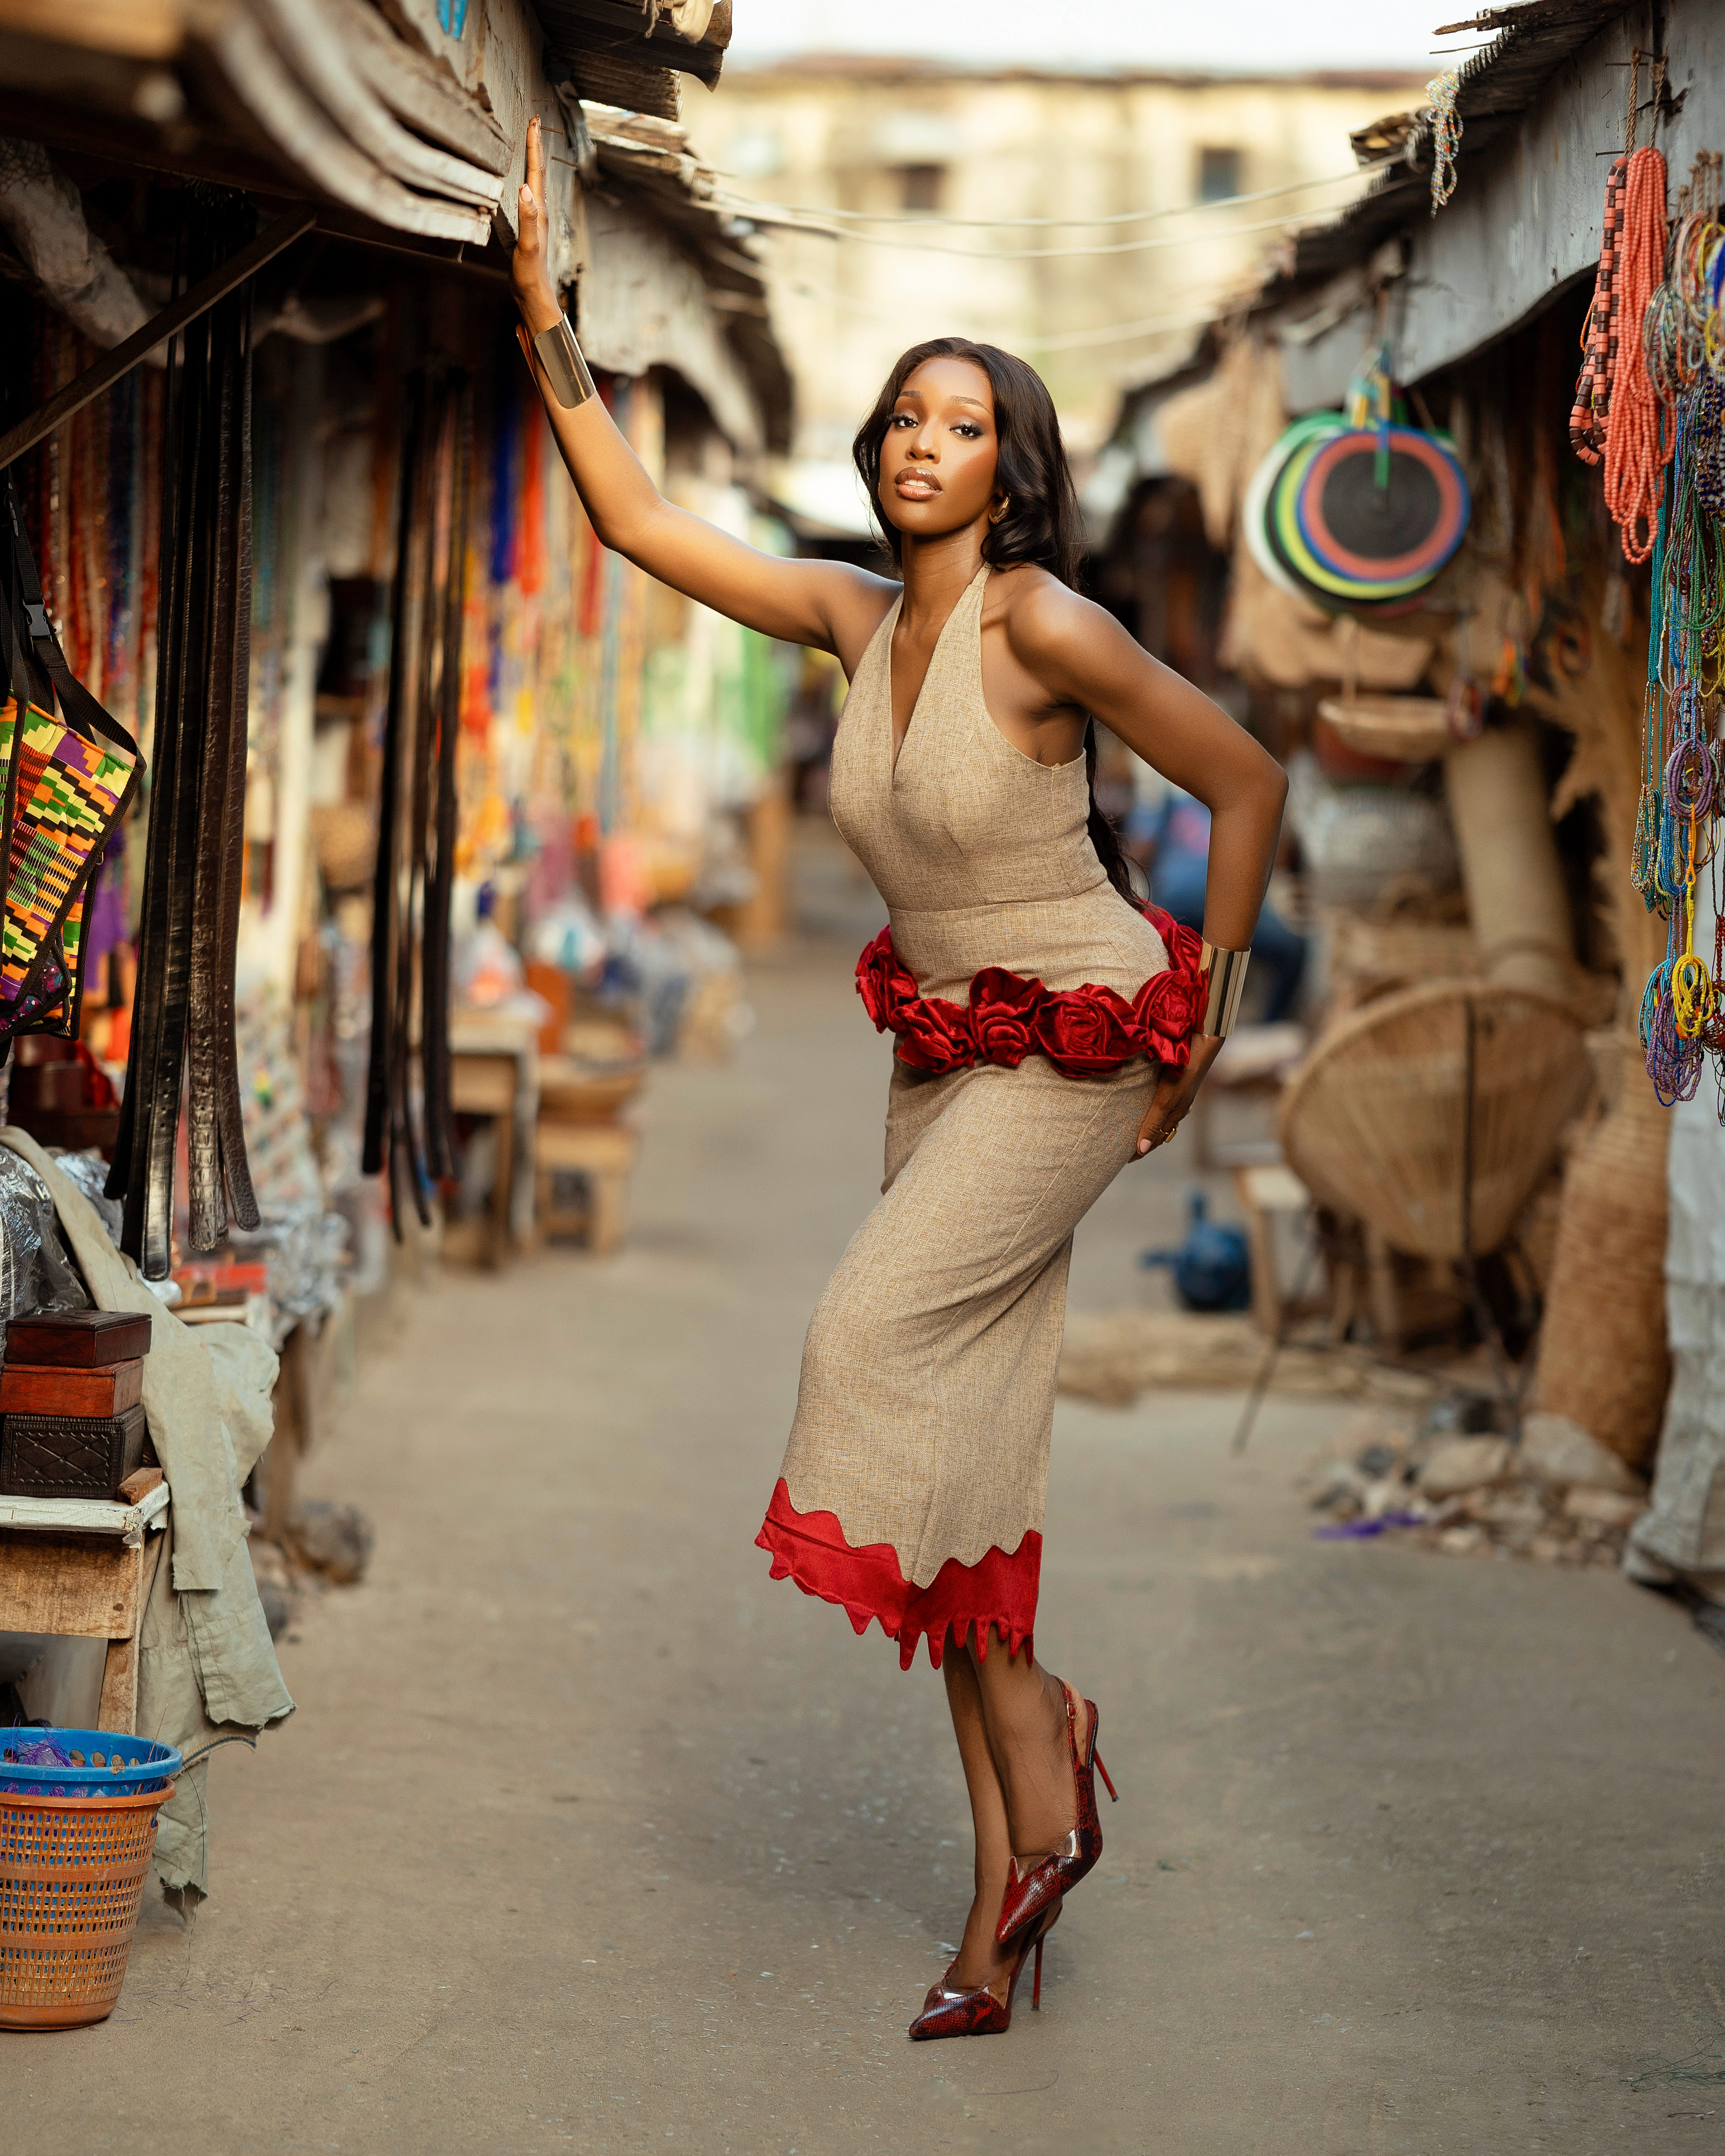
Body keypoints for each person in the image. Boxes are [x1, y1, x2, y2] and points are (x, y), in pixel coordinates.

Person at [508, 119, 1287, 2040]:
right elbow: (630, 518)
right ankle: (1007, 1868)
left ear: (1008, 463)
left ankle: (1039, 1729)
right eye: (899, 421)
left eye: (955, 424)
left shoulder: (1045, 623)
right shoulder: (855, 619)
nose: (914, 445)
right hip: (939, 1052)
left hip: (1076, 1036)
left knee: (865, 1344)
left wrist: (1197, 1011)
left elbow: (1245, 779)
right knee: (964, 1444)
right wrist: (539, 312)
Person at [1133, 786, 1308, 1022]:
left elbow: (1139, 853)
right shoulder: (1172, 802)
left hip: (1200, 906)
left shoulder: (1175, 802)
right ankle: (1271, 1026)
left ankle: (1267, 1027)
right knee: (1293, 949)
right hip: (1201, 906)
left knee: (1293, 949)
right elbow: (1141, 852)